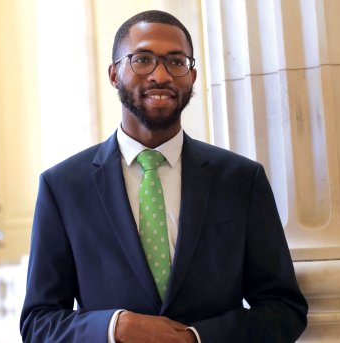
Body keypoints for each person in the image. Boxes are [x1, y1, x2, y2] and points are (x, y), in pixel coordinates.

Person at [20, 10, 308, 342]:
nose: (161, 75)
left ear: (193, 76)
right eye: (142, 60)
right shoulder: (63, 187)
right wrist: (115, 328)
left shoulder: (242, 180)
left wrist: (196, 338)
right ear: (114, 74)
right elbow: (38, 323)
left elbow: (284, 309)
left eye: (176, 61)